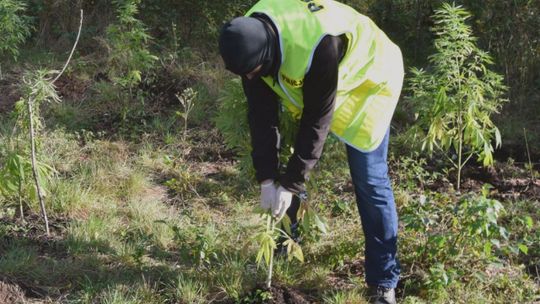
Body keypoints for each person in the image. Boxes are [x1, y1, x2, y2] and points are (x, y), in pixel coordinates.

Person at [218, 0, 403, 303]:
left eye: (253, 72)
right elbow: (262, 116)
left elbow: (316, 121)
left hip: (369, 80)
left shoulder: (319, 44)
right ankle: (290, 241)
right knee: (290, 161)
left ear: (266, 54)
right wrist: (266, 178)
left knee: (369, 180)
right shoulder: (248, 41)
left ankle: (383, 282)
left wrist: (290, 183)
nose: (250, 78)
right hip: (319, 85)